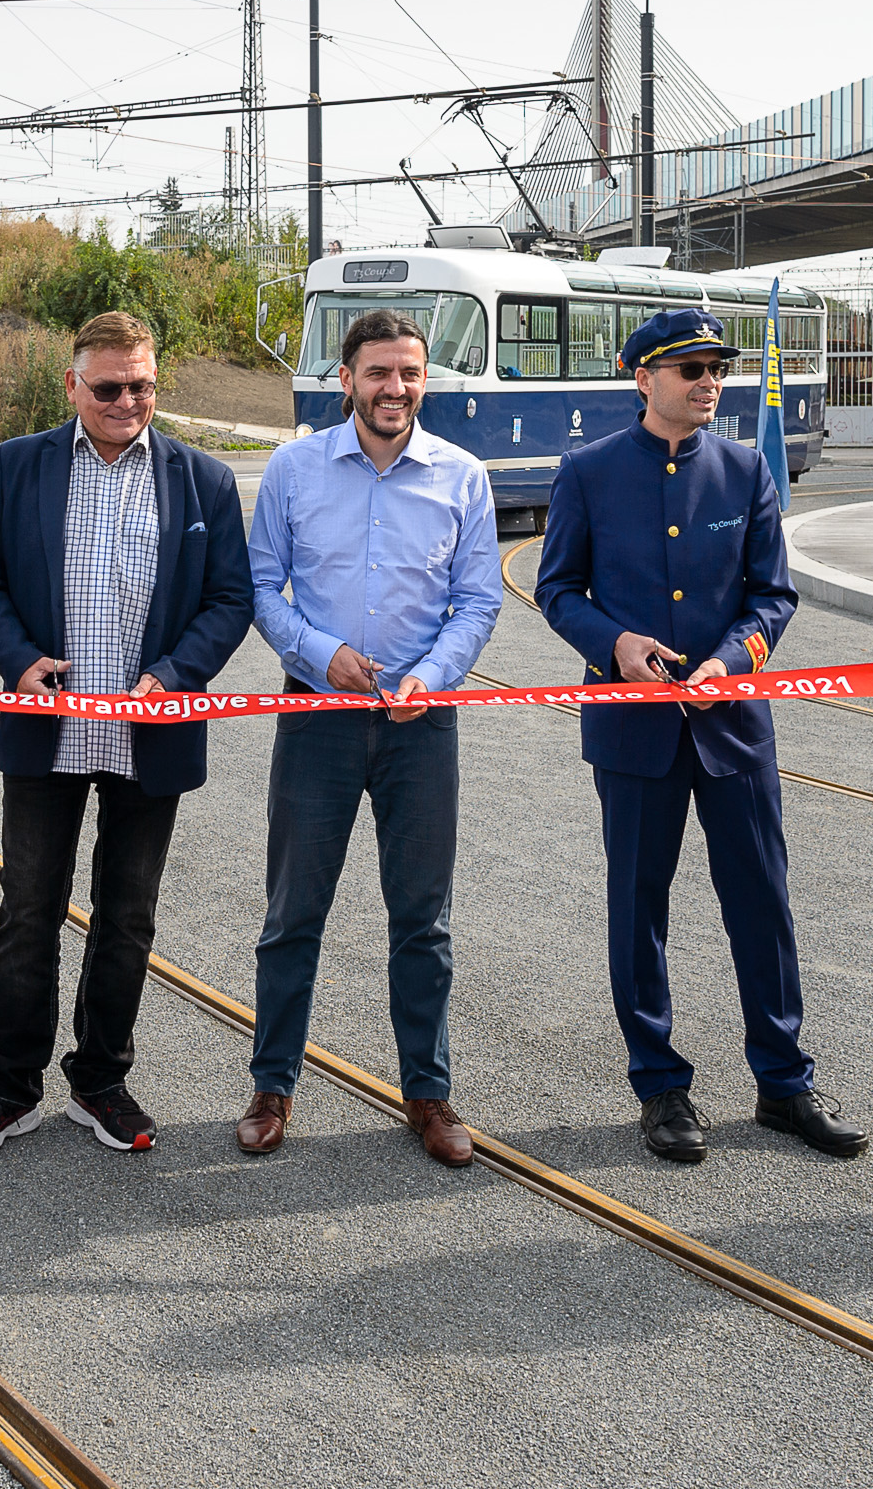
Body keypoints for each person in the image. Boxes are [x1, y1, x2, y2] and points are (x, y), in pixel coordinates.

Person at [535, 308, 867, 1165]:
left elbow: (773, 596)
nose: (710, 382)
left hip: (733, 728)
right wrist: (616, 646)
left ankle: (784, 1082)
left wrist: (730, 660)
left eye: (717, 368)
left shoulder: (747, 469)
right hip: (633, 730)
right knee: (639, 910)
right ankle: (660, 1085)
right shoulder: (589, 472)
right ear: (643, 379)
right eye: (691, 369)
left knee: (762, 903)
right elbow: (559, 588)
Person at [0, 311, 253, 1157]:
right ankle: (7, 1089)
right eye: (110, 386)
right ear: (73, 384)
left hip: (150, 731)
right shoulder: (20, 466)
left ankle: (101, 1080)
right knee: (26, 914)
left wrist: (175, 676)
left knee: (127, 917)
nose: (128, 401)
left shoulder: (203, 481)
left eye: (143, 386)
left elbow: (231, 600)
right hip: (51, 728)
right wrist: (17, 662)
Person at [236, 307, 500, 1168]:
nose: (395, 389)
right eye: (379, 373)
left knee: (423, 921)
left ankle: (428, 1095)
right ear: (345, 379)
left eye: (410, 374)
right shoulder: (295, 468)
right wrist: (321, 653)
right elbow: (262, 586)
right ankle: (272, 1084)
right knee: (292, 914)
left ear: (426, 381)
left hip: (423, 725)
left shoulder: (462, 476)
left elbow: (480, 600)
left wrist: (436, 675)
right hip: (318, 717)